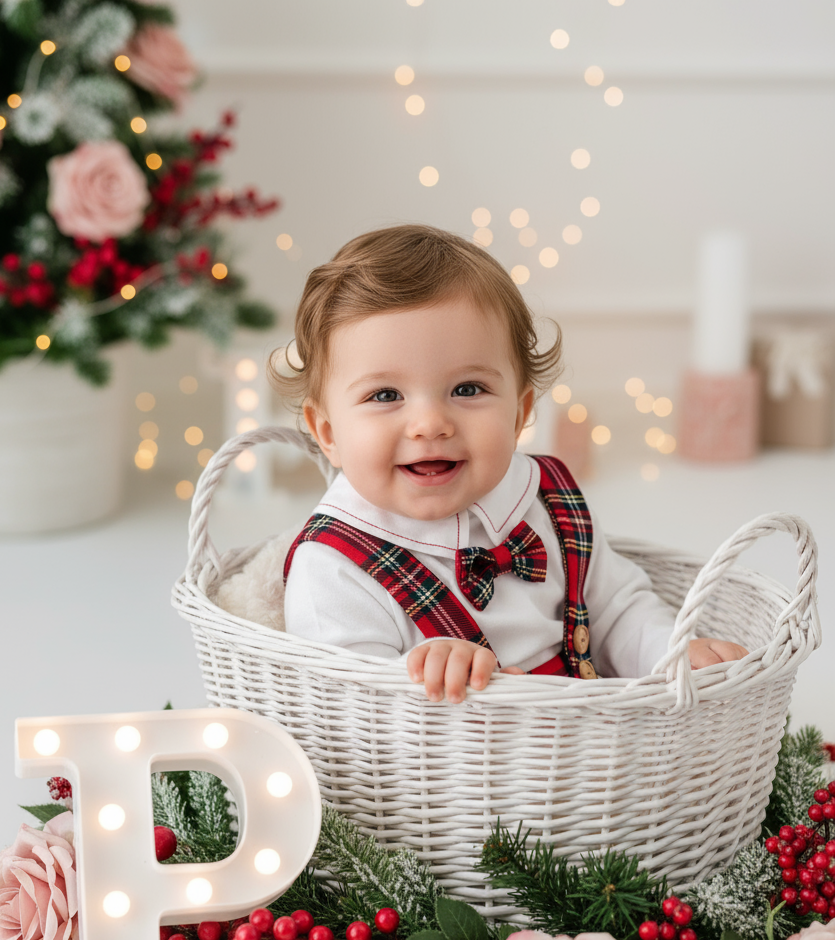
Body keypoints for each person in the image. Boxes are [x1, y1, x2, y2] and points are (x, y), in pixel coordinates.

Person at [274, 225, 747, 703]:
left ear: (519, 414)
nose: (430, 424)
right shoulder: (333, 568)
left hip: (596, 738)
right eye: (385, 395)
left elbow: (616, 610)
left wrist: (671, 654)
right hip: (450, 747)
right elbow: (351, 711)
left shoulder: (545, 499)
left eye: (467, 389)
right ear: (328, 433)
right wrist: (429, 676)